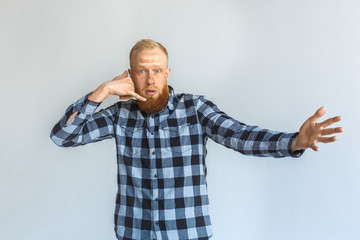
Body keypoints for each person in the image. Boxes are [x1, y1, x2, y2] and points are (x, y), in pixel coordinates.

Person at [50, 39, 344, 240]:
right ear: (130, 76)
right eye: (141, 71)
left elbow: (239, 136)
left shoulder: (195, 108)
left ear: (167, 73)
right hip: (133, 232)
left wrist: (294, 142)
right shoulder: (119, 115)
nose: (150, 79)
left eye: (156, 70)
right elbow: (63, 137)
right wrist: (101, 92)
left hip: (187, 232)